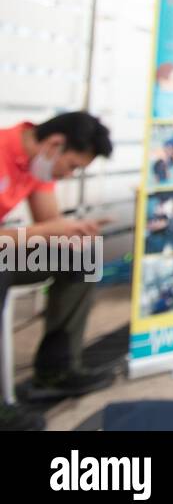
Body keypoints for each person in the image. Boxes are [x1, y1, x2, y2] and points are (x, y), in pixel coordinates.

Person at [0, 112, 114, 431]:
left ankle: (56, 370)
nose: (69, 175)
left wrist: (74, 233)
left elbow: (50, 225)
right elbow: (45, 229)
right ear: (54, 144)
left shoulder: (38, 162)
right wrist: (52, 230)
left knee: (80, 257)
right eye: (73, 166)